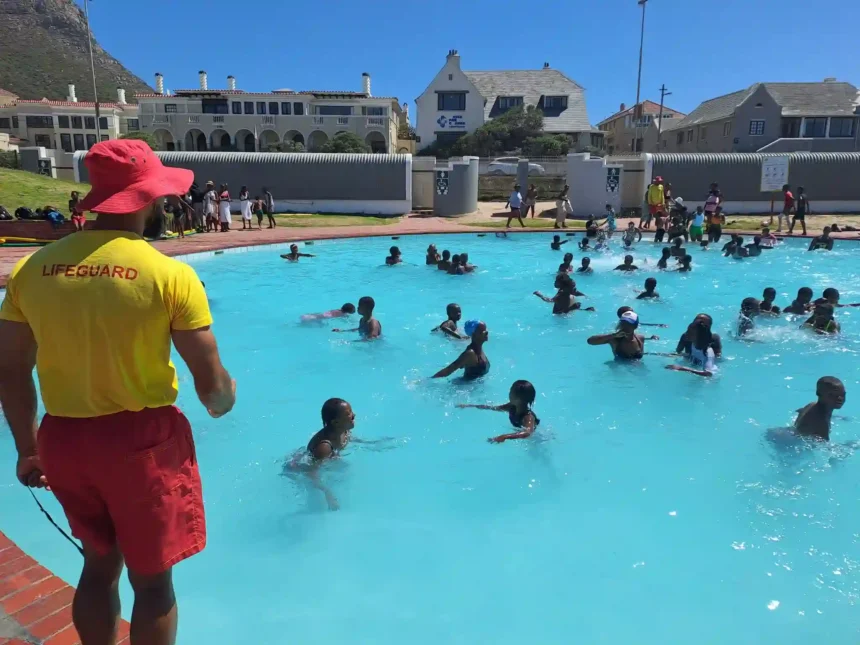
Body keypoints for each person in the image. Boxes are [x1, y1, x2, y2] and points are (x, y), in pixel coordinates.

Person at [0, 140, 235, 645]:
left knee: (97, 567)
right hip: (142, 446)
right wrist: (225, 398)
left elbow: (11, 370)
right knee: (152, 585)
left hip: (63, 440)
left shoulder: (32, 270)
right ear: (147, 200)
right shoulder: (168, 274)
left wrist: (27, 448)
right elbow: (213, 390)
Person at [305, 398, 356, 510]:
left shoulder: (343, 429)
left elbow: (349, 438)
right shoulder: (324, 447)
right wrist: (327, 493)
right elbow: (310, 473)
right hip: (300, 468)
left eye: (351, 411)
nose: (354, 415)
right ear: (335, 422)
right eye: (348, 414)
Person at [457, 380, 540, 444]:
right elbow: (494, 408)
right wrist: (471, 406)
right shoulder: (512, 406)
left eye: (510, 391)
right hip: (519, 430)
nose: (509, 393)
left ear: (518, 399)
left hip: (535, 440)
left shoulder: (528, 417)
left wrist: (505, 436)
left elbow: (527, 433)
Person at [794, 377, 845, 441]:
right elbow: (826, 447)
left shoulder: (812, 404)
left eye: (843, 394)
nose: (840, 398)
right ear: (818, 393)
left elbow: (800, 411)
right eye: (832, 395)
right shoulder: (822, 423)